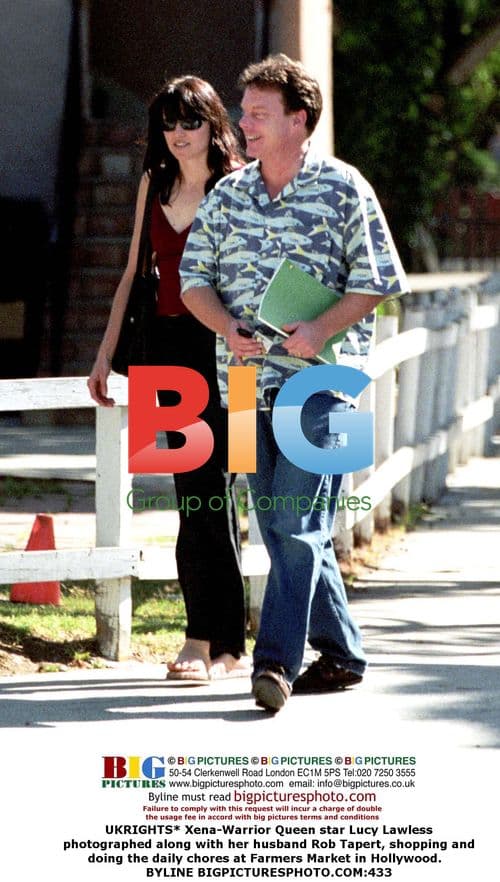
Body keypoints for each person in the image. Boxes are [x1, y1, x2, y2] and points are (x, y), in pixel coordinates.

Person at [179, 54, 410, 710]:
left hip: (325, 381)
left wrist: (317, 327)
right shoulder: (227, 194)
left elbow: (378, 282)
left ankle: (275, 663)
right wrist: (227, 327)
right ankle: (341, 653)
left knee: (301, 521)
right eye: (244, 111)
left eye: (257, 113)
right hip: (244, 385)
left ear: (297, 120)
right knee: (277, 526)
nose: (243, 123)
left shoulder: (345, 188)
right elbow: (194, 283)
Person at [87, 75, 250, 682]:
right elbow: (134, 274)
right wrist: (106, 356)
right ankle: (213, 640)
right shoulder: (153, 183)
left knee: (218, 491)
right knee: (193, 499)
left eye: (191, 122)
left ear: (214, 124)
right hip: (164, 351)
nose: (179, 134)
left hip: (226, 353)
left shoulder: (239, 188)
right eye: (170, 123)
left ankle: (214, 641)